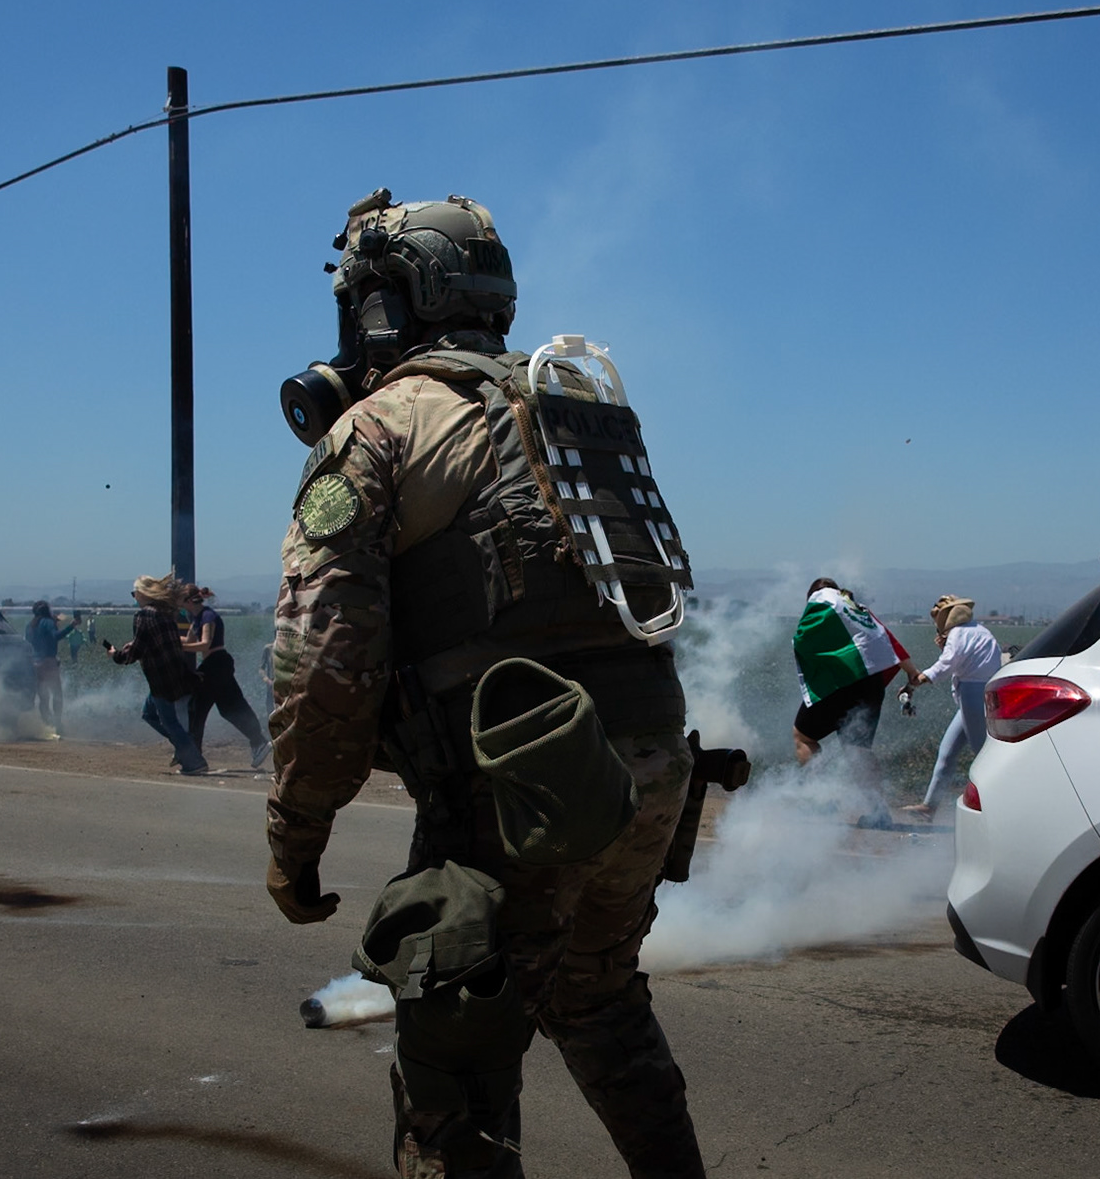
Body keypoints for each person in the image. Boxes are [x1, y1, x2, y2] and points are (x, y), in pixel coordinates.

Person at [265, 191, 704, 1177]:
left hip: (511, 790)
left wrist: (295, 839)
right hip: (648, 768)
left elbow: (323, 663)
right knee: (597, 998)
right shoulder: (577, 408)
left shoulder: (379, 430)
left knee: (454, 1060)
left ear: (393, 305)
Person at [790, 578, 925, 821]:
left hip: (841, 680)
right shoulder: (857, 608)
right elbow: (888, 640)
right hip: (871, 683)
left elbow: (802, 639)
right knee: (857, 749)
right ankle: (878, 812)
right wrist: (912, 672)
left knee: (803, 736)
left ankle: (822, 801)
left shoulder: (822, 601)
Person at [899, 595, 1003, 821]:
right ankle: (930, 807)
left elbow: (948, 663)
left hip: (972, 693)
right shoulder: (979, 630)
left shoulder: (959, 633)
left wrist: (920, 678)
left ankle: (997, 808)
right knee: (947, 752)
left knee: (982, 755)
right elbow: (960, 659)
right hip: (981, 692)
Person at [107, 574, 207, 775]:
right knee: (149, 714)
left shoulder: (143, 616)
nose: (134, 597)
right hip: (174, 673)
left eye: (134, 593)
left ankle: (193, 760)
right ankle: (184, 747)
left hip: (161, 678)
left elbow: (135, 654)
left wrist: (116, 655)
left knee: (169, 721)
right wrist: (133, 645)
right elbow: (151, 642)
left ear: (142, 594)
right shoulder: (163, 613)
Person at [179, 583, 270, 768]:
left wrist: (177, 646)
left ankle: (194, 759)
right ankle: (258, 741)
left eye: (179, 599)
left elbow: (204, 644)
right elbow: (189, 641)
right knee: (231, 707)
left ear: (188, 601)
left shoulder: (207, 616)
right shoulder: (195, 616)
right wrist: (167, 638)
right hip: (218, 665)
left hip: (215, 665)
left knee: (196, 709)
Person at [25, 600, 77, 736]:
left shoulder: (30, 625)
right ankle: (58, 724)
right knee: (57, 694)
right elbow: (55, 636)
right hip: (48, 662)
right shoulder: (48, 623)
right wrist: (71, 626)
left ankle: (47, 723)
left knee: (43, 696)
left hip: (35, 663)